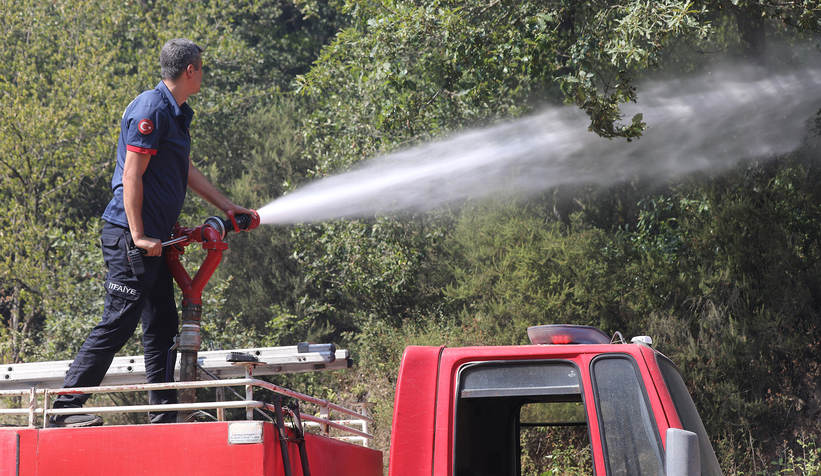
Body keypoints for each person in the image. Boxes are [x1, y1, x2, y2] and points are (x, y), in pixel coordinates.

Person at [49, 39, 251, 427]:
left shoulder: (176, 113)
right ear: (190, 69)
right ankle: (63, 409)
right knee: (118, 321)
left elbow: (184, 170)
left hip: (152, 241)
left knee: (162, 327)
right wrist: (140, 235)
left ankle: (164, 414)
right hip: (130, 237)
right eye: (202, 67)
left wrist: (226, 207)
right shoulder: (151, 109)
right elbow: (131, 175)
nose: (204, 73)